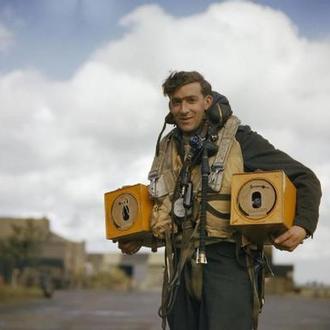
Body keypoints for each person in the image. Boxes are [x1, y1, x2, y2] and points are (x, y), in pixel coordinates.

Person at [119, 71, 321, 330]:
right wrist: (140, 238)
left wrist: (302, 225)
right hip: (179, 267)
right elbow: (167, 210)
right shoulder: (168, 146)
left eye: (191, 100)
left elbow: (305, 177)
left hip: (229, 263)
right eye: (176, 102)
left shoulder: (238, 140)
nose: (184, 109)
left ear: (207, 101)